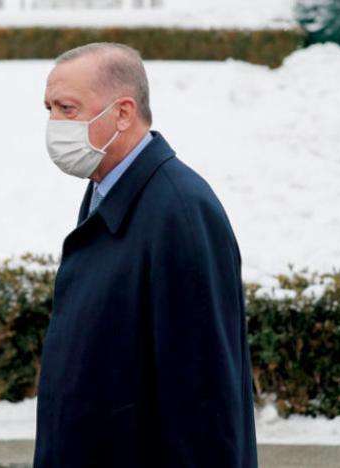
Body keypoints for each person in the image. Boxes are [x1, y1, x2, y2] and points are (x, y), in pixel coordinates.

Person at [35, 43, 258, 467]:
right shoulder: (107, 191)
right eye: (49, 109)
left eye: (67, 109)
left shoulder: (180, 211)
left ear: (123, 113)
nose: (54, 124)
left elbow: (203, 398)